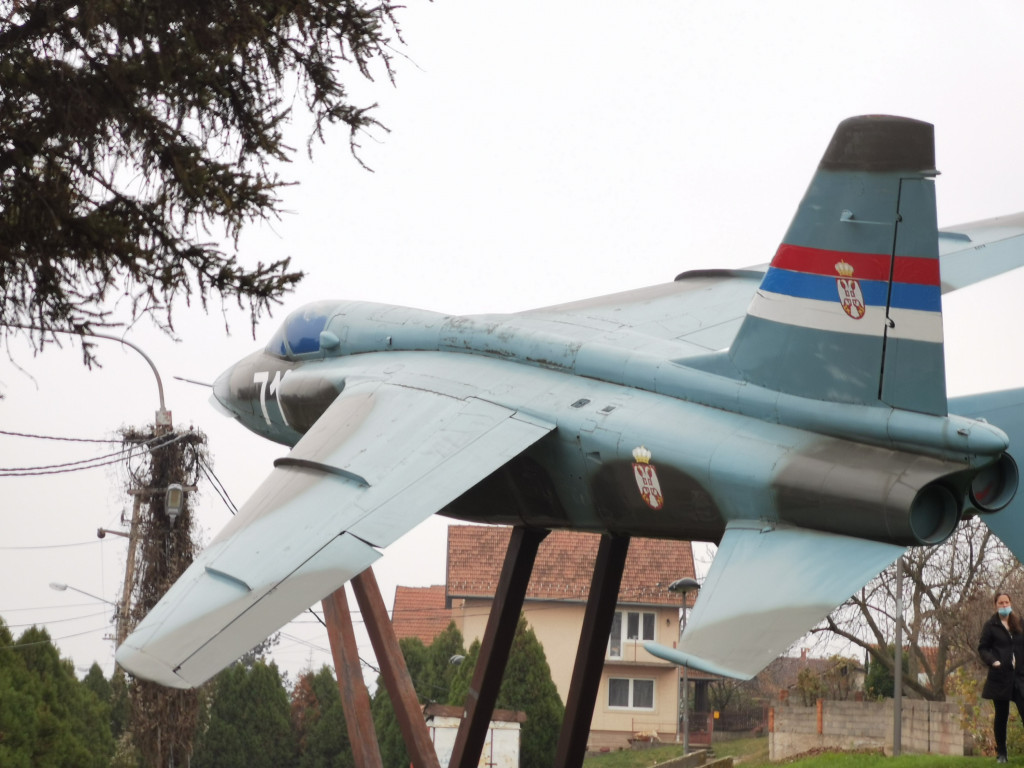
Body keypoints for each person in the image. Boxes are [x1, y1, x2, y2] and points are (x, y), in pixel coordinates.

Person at [979, 592, 1024, 763]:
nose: (1004, 605)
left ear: (1010, 603)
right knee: (1001, 716)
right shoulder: (991, 626)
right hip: (1000, 677)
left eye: (1006, 602)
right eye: (1001, 602)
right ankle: (1002, 754)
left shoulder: (1019, 623)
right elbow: (983, 648)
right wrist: (993, 661)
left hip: (1019, 677)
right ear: (995, 605)